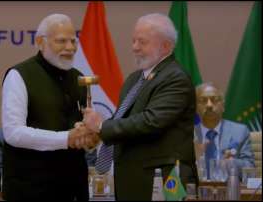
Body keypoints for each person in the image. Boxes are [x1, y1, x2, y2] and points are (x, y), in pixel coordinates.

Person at [82, 13, 198, 200]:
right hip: (133, 182)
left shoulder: (176, 78)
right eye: (133, 41)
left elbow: (150, 121)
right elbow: (124, 120)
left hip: (166, 182)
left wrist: (102, 127)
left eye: (142, 42)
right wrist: (96, 133)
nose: (134, 48)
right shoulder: (135, 79)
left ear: (166, 46)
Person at [1, 14, 98, 200]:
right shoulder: (19, 75)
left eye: (73, 41)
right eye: (61, 41)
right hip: (31, 189)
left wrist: (89, 139)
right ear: (40, 42)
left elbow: (80, 131)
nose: (70, 48)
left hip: (74, 188)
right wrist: (66, 138)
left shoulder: (78, 77)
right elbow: (13, 133)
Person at [194, 82, 255, 179]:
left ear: (223, 105)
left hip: (230, 189)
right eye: (203, 100)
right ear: (196, 107)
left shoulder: (239, 132)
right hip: (198, 190)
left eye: (214, 100)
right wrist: (196, 160)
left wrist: (231, 163)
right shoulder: (188, 135)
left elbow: (250, 167)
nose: (209, 105)